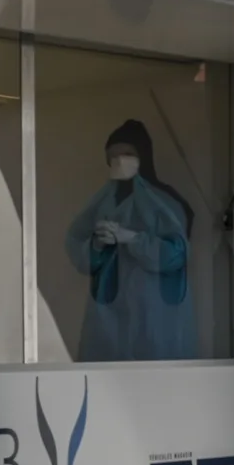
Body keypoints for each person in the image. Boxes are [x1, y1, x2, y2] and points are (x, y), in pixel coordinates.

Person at [64, 118, 198, 361]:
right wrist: (96, 245)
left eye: (127, 154)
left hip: (154, 311)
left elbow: (177, 255)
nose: (119, 162)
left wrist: (133, 239)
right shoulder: (102, 203)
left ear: (143, 155)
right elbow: (76, 246)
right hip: (108, 312)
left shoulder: (165, 202)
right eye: (113, 157)